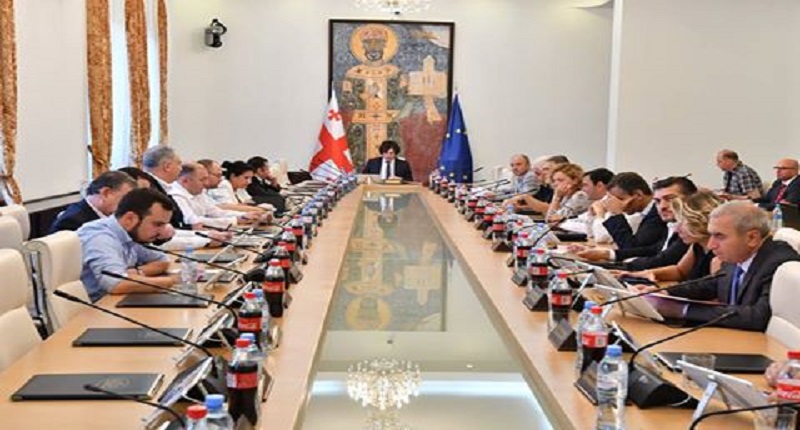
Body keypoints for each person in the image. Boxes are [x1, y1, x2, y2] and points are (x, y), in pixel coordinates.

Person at [644, 201, 800, 331]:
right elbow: (713, 283)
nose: (711, 245)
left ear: (752, 237)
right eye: (711, 235)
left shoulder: (779, 263)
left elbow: (757, 317)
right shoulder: (738, 255)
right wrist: (663, 293)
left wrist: (682, 310)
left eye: (719, 236)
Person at [77, 188, 178, 302]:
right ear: (130, 218)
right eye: (157, 224)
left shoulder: (131, 233)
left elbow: (162, 260)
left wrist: (136, 272)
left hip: (116, 300)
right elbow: (115, 284)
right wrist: (170, 281)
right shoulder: (100, 237)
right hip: (96, 306)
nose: (161, 232)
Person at [626, 191, 723, 283]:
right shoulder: (697, 244)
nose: (676, 229)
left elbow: (712, 290)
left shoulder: (721, 255)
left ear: (699, 222)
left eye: (682, 222)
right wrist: (644, 274)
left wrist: (666, 292)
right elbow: (679, 271)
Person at [574, 172, 667, 262]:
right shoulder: (645, 212)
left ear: (638, 195)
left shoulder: (657, 214)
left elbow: (631, 248)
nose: (616, 204)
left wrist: (616, 214)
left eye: (620, 199)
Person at [170, 163, 263, 229]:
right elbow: (193, 221)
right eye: (202, 180)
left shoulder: (198, 192)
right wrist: (235, 220)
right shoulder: (176, 195)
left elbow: (215, 212)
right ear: (185, 181)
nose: (206, 183)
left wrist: (244, 216)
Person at [49, 171, 137, 233]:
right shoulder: (72, 222)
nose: (128, 206)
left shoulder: (105, 215)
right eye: (125, 199)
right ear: (106, 193)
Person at [206, 160, 271, 214]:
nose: (249, 182)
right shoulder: (223, 185)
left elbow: (249, 202)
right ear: (233, 176)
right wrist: (258, 209)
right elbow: (226, 207)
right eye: (246, 178)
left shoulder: (240, 188)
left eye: (251, 178)